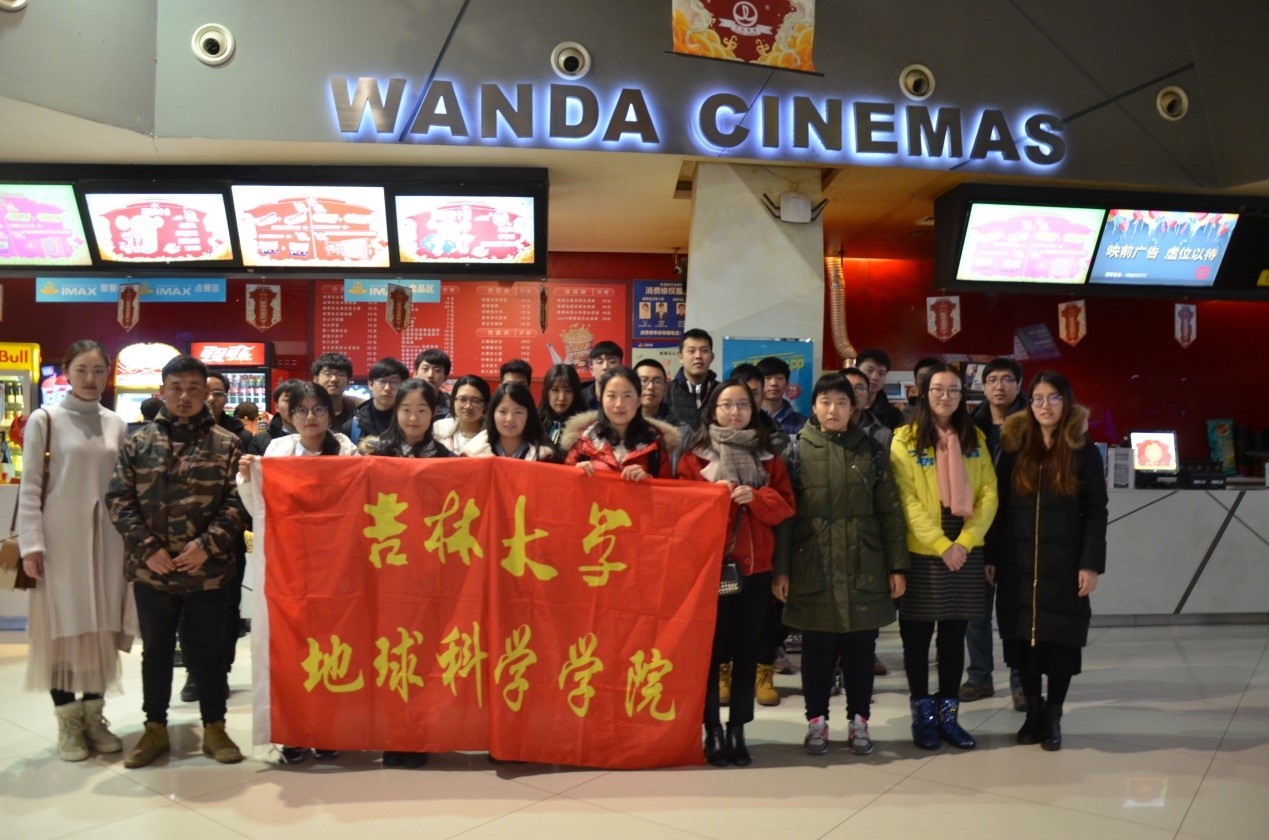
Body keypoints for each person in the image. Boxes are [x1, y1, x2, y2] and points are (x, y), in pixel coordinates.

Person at [106, 354, 249, 769]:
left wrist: (207, 545)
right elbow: (118, 499)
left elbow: (238, 502)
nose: (184, 396)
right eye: (176, 388)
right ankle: (154, 728)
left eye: (193, 388)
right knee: (156, 651)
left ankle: (215, 726)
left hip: (208, 570)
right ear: (162, 392)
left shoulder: (227, 443)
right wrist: (147, 548)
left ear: (207, 394)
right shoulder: (138, 442)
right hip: (153, 570)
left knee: (209, 652)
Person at [773, 373, 908, 756]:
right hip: (812, 566)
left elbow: (890, 513)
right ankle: (816, 722)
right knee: (816, 652)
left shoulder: (872, 451)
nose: (833, 409)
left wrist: (897, 566)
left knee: (861, 652)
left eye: (842, 402)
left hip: (864, 565)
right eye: (826, 402)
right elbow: (785, 518)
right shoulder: (795, 452)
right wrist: (781, 570)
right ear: (814, 407)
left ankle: (858, 721)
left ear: (854, 408)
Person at [16, 340, 134, 762]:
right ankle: (68, 723)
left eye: (99, 370)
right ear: (66, 371)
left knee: (102, 628)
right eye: (82, 369)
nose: (90, 378)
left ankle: (93, 717)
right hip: (60, 542)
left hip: (108, 543)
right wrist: (32, 544)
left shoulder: (116, 423)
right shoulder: (45, 420)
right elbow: (31, 485)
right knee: (63, 629)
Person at [237, 380, 356, 765]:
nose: (310, 417)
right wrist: (247, 476)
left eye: (318, 409)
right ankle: (292, 730)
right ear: (290, 414)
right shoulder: (278, 449)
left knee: (332, 646)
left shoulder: (346, 450)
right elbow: (259, 503)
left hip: (335, 564)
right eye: (301, 410)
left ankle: (327, 728)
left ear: (330, 413)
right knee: (290, 646)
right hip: (289, 565)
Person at [678, 379, 795, 767]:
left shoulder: (768, 455)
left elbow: (785, 507)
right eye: (726, 405)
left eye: (742, 405)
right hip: (708, 570)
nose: (735, 412)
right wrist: (717, 498)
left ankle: (738, 728)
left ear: (753, 410)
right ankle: (711, 727)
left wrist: (756, 497)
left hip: (756, 569)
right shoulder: (694, 457)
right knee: (709, 653)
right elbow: (681, 510)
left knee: (746, 651)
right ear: (712, 410)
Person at [993, 370, 1107, 752]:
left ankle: (1054, 715)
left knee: (1061, 643)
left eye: (1054, 398)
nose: (1045, 406)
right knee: (1023, 642)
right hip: (1018, 563)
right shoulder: (1014, 445)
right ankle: (1033, 714)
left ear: (1066, 402)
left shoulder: (1082, 449)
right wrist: (992, 556)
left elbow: (1096, 510)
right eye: (1038, 399)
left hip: (1064, 564)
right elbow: (997, 506)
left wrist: (1090, 563)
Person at [890, 363, 998, 751]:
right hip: (923, 549)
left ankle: (949, 717)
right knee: (917, 639)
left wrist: (964, 543)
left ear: (962, 396)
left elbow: (989, 494)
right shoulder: (903, 439)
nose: (945, 396)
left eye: (953, 390)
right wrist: (941, 545)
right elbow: (906, 500)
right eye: (938, 389)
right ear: (924, 392)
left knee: (954, 638)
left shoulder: (975, 438)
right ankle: (923, 717)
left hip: (964, 547)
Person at [367, 379, 453, 767]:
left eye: (421, 410)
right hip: (386, 570)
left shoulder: (449, 460)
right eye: (405, 410)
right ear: (395, 411)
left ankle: (420, 734)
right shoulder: (375, 456)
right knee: (387, 652)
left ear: (433, 413)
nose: (413, 418)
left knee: (424, 653)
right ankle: (391, 734)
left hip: (430, 571)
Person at [179, 371, 253, 704]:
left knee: (227, 608)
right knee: (188, 609)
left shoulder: (239, 436)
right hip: (185, 540)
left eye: (219, 393)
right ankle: (194, 672)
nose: (211, 399)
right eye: (204, 391)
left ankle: (221, 669)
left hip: (228, 538)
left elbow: (243, 493)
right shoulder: (177, 432)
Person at [961, 357, 1029, 709]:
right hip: (977, 530)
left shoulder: (1033, 426)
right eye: (992, 380)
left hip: (1018, 533)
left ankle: (1021, 682)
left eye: (1007, 379)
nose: (999, 386)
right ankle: (979, 677)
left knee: (1016, 613)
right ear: (983, 386)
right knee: (976, 614)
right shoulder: (969, 427)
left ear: (1019, 385)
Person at [562, 366, 677, 480]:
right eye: (612, 396)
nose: (619, 404)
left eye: (627, 396)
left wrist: (648, 481)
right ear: (601, 399)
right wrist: (575, 474)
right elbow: (563, 484)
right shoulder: (584, 441)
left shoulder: (655, 445)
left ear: (639, 400)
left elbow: (667, 488)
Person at [461, 381, 556, 460]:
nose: (510, 419)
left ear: (529, 415)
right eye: (503, 411)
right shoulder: (472, 453)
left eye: (518, 412)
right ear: (492, 414)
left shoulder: (544, 457)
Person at [343, 357, 409, 447]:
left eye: (394, 382)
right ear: (370, 384)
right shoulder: (352, 427)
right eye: (382, 381)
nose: (387, 388)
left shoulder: (412, 422)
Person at [666, 328, 719, 428]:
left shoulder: (722, 391)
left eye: (704, 351)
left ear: (712, 357)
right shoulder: (666, 392)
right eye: (691, 351)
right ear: (681, 358)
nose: (698, 356)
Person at [433, 374, 490, 453]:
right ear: (453, 401)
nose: (468, 406)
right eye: (462, 399)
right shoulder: (439, 431)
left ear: (485, 405)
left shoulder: (493, 435)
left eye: (475, 401)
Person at [248, 379, 302, 455]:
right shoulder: (260, 441)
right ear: (277, 407)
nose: (294, 405)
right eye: (288, 400)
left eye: (299, 400)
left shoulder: (318, 438)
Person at [843, 367, 891, 451]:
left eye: (860, 388)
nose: (853, 393)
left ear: (868, 395)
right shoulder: (823, 429)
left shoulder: (882, 434)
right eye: (847, 387)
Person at [756, 356, 806, 437]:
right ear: (758, 383)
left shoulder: (801, 422)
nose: (774, 383)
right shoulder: (750, 419)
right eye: (768, 378)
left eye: (779, 378)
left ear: (787, 384)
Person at [856, 348, 904, 431]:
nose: (875, 377)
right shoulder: (842, 408)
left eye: (881, 373)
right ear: (856, 370)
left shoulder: (894, 416)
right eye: (869, 370)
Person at [538, 363, 585, 447]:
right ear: (546, 392)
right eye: (555, 390)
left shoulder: (586, 427)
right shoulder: (534, 422)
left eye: (568, 391)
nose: (561, 398)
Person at [311, 352, 358, 431]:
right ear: (316, 379)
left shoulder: (357, 414)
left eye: (340, 374)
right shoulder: (305, 412)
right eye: (328, 374)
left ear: (348, 381)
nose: (334, 379)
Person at [579, 340, 624, 409]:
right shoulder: (579, 398)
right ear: (591, 370)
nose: (605, 367)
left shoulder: (628, 397)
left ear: (620, 368)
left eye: (612, 362)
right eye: (600, 362)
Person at [414, 348, 453, 420]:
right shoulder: (404, 400)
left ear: (445, 377)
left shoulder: (452, 405)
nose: (430, 375)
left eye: (437, 370)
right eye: (425, 369)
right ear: (415, 374)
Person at [902, 357, 942, 422]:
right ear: (916, 383)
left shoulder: (949, 404)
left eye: (933, 376)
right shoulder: (910, 408)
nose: (927, 381)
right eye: (922, 377)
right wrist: (912, 405)